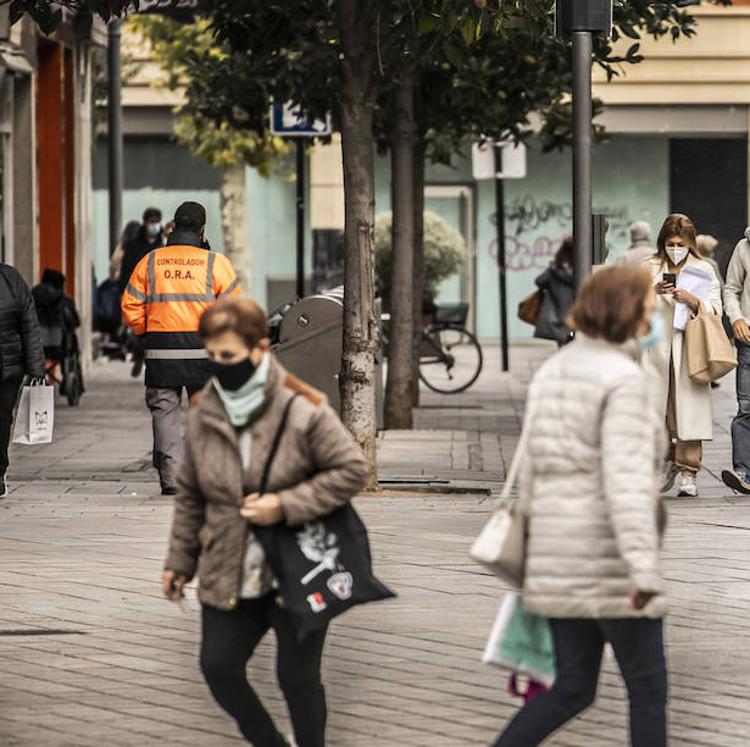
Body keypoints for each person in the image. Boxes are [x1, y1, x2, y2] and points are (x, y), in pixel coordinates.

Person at [162, 297, 368, 747]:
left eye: (229, 356)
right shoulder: (204, 411)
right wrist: (180, 561)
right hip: (230, 565)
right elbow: (192, 495)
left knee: (297, 677)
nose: (220, 366)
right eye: (212, 356)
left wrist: (286, 504)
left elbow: (352, 470)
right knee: (218, 666)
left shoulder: (301, 406)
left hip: (296, 566)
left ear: (259, 349)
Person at [492, 266, 667, 747]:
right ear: (629, 313)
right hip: (610, 562)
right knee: (648, 691)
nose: (652, 318)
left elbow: (530, 467)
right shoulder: (623, 381)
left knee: (571, 687)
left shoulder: (555, 368)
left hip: (556, 558)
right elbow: (626, 483)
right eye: (649, 310)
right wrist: (642, 571)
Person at [121, 201, 241, 495]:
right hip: (205, 354)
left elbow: (130, 306)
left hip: (162, 350)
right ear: (202, 230)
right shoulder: (216, 263)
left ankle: (172, 478)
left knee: (165, 412)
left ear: (172, 226)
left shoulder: (150, 261)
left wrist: (145, 331)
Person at [640, 213, 722, 498]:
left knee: (689, 413)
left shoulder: (703, 269)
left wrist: (693, 300)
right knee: (654, 412)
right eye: (671, 243)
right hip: (655, 350)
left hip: (690, 348)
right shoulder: (648, 267)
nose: (676, 248)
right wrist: (652, 292)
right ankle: (662, 463)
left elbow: (715, 308)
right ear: (663, 242)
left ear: (690, 243)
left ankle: (688, 471)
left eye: (681, 243)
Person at [0, 262, 44, 497]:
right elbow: (29, 325)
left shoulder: (10, 279)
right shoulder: (11, 278)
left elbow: (29, 326)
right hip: (9, 367)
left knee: (2, 420)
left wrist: (36, 369)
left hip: (7, 368)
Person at [721, 227, 750, 493]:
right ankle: (743, 472)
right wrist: (737, 318)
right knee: (746, 408)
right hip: (749, 341)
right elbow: (730, 289)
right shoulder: (745, 247)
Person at [533, 236, 574, 346]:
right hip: (575, 310)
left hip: (557, 312)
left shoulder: (556, 268)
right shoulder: (581, 268)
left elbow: (539, 281)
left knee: (562, 342)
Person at [118, 208, 165, 295]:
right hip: (138, 289)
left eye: (157, 222)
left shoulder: (162, 245)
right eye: (152, 222)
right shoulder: (133, 246)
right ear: (145, 223)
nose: (155, 225)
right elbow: (126, 270)